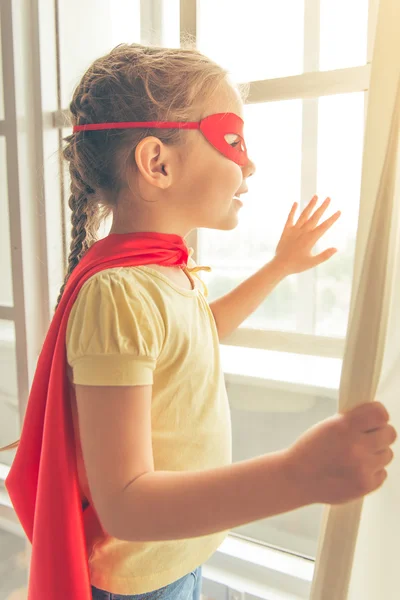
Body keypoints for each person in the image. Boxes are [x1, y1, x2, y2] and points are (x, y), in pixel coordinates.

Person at [2, 43, 397, 600]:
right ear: (157, 163)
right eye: (233, 140)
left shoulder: (163, 272)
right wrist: (295, 474)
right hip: (138, 582)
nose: (249, 163)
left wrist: (278, 267)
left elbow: (196, 335)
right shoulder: (118, 292)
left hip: (177, 557)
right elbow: (126, 503)